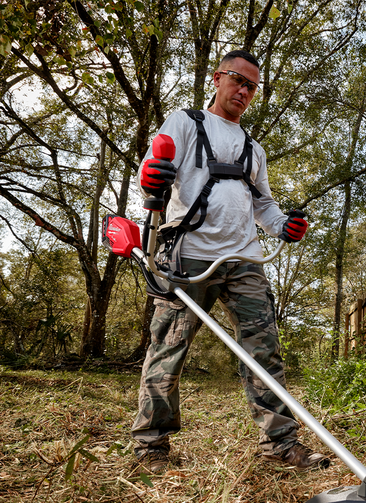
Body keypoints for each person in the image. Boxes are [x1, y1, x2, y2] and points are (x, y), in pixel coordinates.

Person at [131, 49, 330, 474]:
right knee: (168, 350)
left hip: (245, 261)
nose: (243, 90)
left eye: (251, 86)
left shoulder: (253, 148)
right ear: (218, 79)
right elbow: (154, 170)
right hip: (188, 257)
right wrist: (151, 178)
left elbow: (266, 207)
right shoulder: (185, 122)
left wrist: (285, 226)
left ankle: (280, 445)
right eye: (237, 80)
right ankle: (151, 447)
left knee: (265, 353)